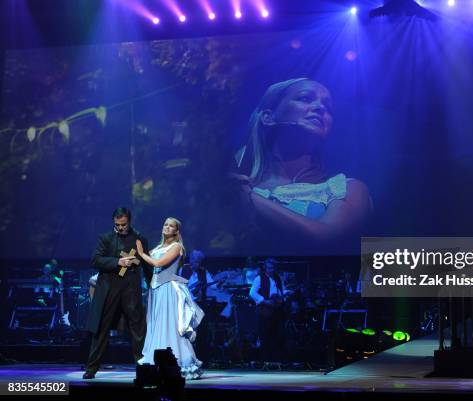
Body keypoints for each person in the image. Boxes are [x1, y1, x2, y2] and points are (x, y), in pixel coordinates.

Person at [234, 78, 372, 253]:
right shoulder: (236, 180)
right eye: (305, 98)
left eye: (328, 108)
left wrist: (247, 196)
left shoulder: (346, 188)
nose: (321, 108)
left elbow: (328, 238)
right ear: (268, 117)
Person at [83, 207, 150, 379]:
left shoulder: (139, 238)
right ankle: (91, 368)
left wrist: (151, 285)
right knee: (102, 328)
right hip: (109, 288)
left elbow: (147, 264)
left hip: (130, 288)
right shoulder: (105, 238)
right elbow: (95, 259)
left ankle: (143, 368)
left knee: (137, 328)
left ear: (130, 221)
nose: (120, 228)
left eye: (123, 224)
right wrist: (117, 261)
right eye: (117, 224)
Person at [136, 217, 204, 380]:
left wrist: (140, 253)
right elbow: (145, 259)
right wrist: (131, 258)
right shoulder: (160, 246)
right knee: (157, 325)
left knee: (169, 326)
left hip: (168, 289)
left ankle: (179, 362)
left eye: (171, 226)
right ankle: (157, 363)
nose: (167, 227)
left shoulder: (177, 247)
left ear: (176, 231)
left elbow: (158, 263)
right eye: (165, 224)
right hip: (156, 290)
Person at [249, 258, 286, 366]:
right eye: (269, 267)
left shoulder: (277, 278)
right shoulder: (259, 278)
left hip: (276, 310)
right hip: (264, 310)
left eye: (273, 268)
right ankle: (265, 360)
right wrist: (264, 301)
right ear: (265, 268)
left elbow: (281, 291)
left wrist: (287, 293)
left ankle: (275, 360)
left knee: (276, 334)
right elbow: (252, 293)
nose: (271, 270)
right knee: (265, 335)